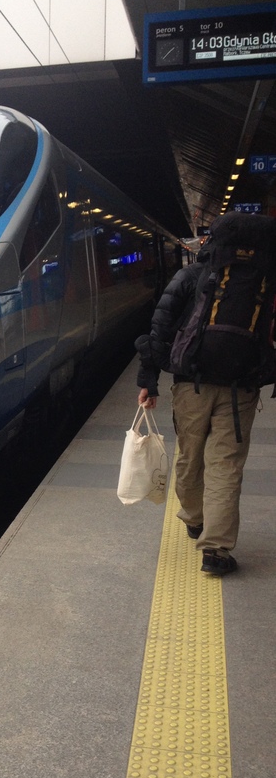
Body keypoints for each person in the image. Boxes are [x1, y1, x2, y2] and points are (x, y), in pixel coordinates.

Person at [135, 214, 276, 576]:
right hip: (240, 388)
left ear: (210, 241)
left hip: (190, 385)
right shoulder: (267, 280)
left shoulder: (191, 276)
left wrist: (149, 380)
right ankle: (216, 550)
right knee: (225, 466)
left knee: (190, 456)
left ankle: (195, 519)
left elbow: (159, 329)